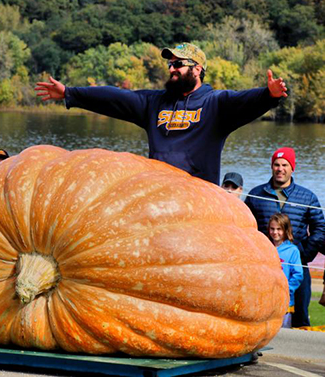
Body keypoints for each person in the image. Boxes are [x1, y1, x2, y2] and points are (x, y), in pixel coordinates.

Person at [35, 43, 288, 185]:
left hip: (198, 202)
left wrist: (269, 95)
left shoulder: (215, 104)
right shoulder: (154, 103)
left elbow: (246, 100)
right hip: (156, 195)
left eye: (178, 64)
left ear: (197, 69)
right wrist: (70, 93)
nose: (172, 69)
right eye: (170, 64)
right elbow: (113, 98)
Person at [245, 147, 325, 327]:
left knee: (300, 315)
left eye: (284, 165)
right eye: (276, 164)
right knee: (261, 311)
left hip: (297, 263)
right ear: (271, 167)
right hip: (265, 264)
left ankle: (298, 351)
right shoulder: (255, 195)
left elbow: (320, 228)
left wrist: (303, 253)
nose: (280, 169)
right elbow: (247, 226)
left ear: (292, 168)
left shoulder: (307, 197)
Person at [268, 213, 303, 328]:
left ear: (286, 230)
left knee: (283, 332)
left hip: (284, 301)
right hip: (266, 299)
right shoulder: (265, 247)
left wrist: (287, 289)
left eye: (279, 229)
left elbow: (298, 275)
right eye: (272, 229)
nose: (275, 232)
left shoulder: (293, 250)